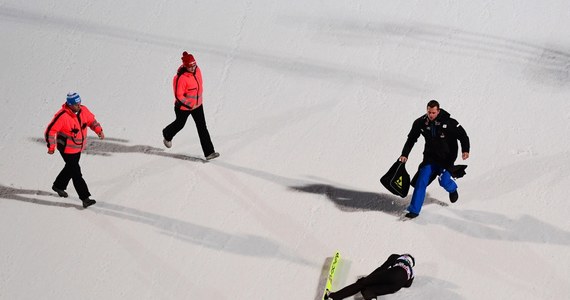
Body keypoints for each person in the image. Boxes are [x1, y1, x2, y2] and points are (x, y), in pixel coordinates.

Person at [399, 100, 470, 218]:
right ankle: (414, 210)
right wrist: (405, 154)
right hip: (430, 158)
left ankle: (452, 189)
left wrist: (465, 150)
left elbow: (463, 136)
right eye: (429, 112)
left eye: (433, 112)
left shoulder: (449, 122)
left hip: (447, 158)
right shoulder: (420, 123)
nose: (431, 115)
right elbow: (411, 139)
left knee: (444, 181)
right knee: (421, 181)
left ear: (438, 111)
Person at [44, 92, 104, 208]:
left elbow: (91, 121)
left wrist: (98, 130)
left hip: (78, 148)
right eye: (76, 104)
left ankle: (58, 185)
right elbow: (50, 131)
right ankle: (85, 198)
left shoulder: (83, 110)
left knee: (70, 168)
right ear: (70, 104)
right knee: (76, 173)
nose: (79, 106)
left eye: (79, 103)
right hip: (66, 149)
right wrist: (51, 146)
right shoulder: (62, 116)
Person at [162, 51, 219, 160]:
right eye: (190, 67)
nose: (193, 68)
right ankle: (167, 134)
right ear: (185, 66)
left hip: (197, 106)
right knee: (180, 124)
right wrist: (189, 105)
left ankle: (209, 153)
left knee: (202, 127)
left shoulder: (197, 70)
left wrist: (197, 103)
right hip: (183, 107)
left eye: (194, 65)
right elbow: (178, 95)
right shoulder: (181, 78)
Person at [325, 254, 415, 300]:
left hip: (395, 272)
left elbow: (382, 268)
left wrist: (368, 279)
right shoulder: (412, 272)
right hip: (398, 284)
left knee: (361, 284)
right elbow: (407, 285)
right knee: (369, 291)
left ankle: (333, 297)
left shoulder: (397, 257)